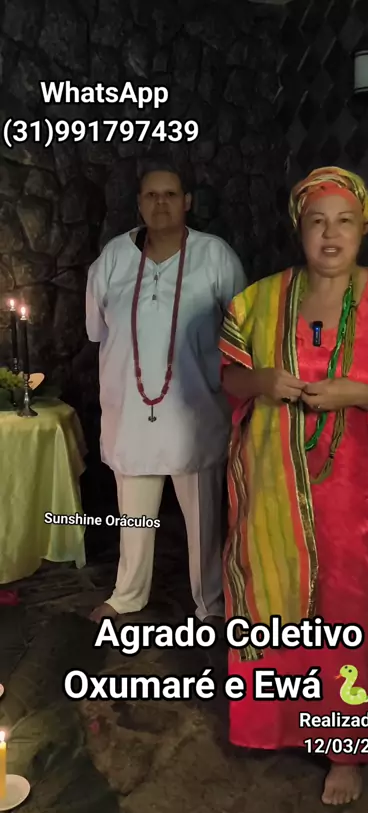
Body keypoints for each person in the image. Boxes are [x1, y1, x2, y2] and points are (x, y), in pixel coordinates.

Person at [219, 166, 368, 805]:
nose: (330, 234)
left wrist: (353, 393)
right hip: (273, 486)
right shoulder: (257, 300)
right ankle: (278, 724)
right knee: (277, 607)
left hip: (354, 496)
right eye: (317, 221)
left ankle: (347, 752)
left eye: (344, 220)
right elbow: (230, 378)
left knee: (348, 612)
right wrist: (264, 381)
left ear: (363, 227)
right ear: (300, 229)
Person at [86, 160, 247, 625]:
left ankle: (210, 603)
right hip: (131, 411)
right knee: (133, 516)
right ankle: (127, 595)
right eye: (151, 195)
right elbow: (97, 329)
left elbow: (242, 330)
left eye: (171, 194)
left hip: (195, 411)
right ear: (139, 204)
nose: (161, 203)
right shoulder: (113, 258)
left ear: (187, 202)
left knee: (204, 521)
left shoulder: (215, 256)